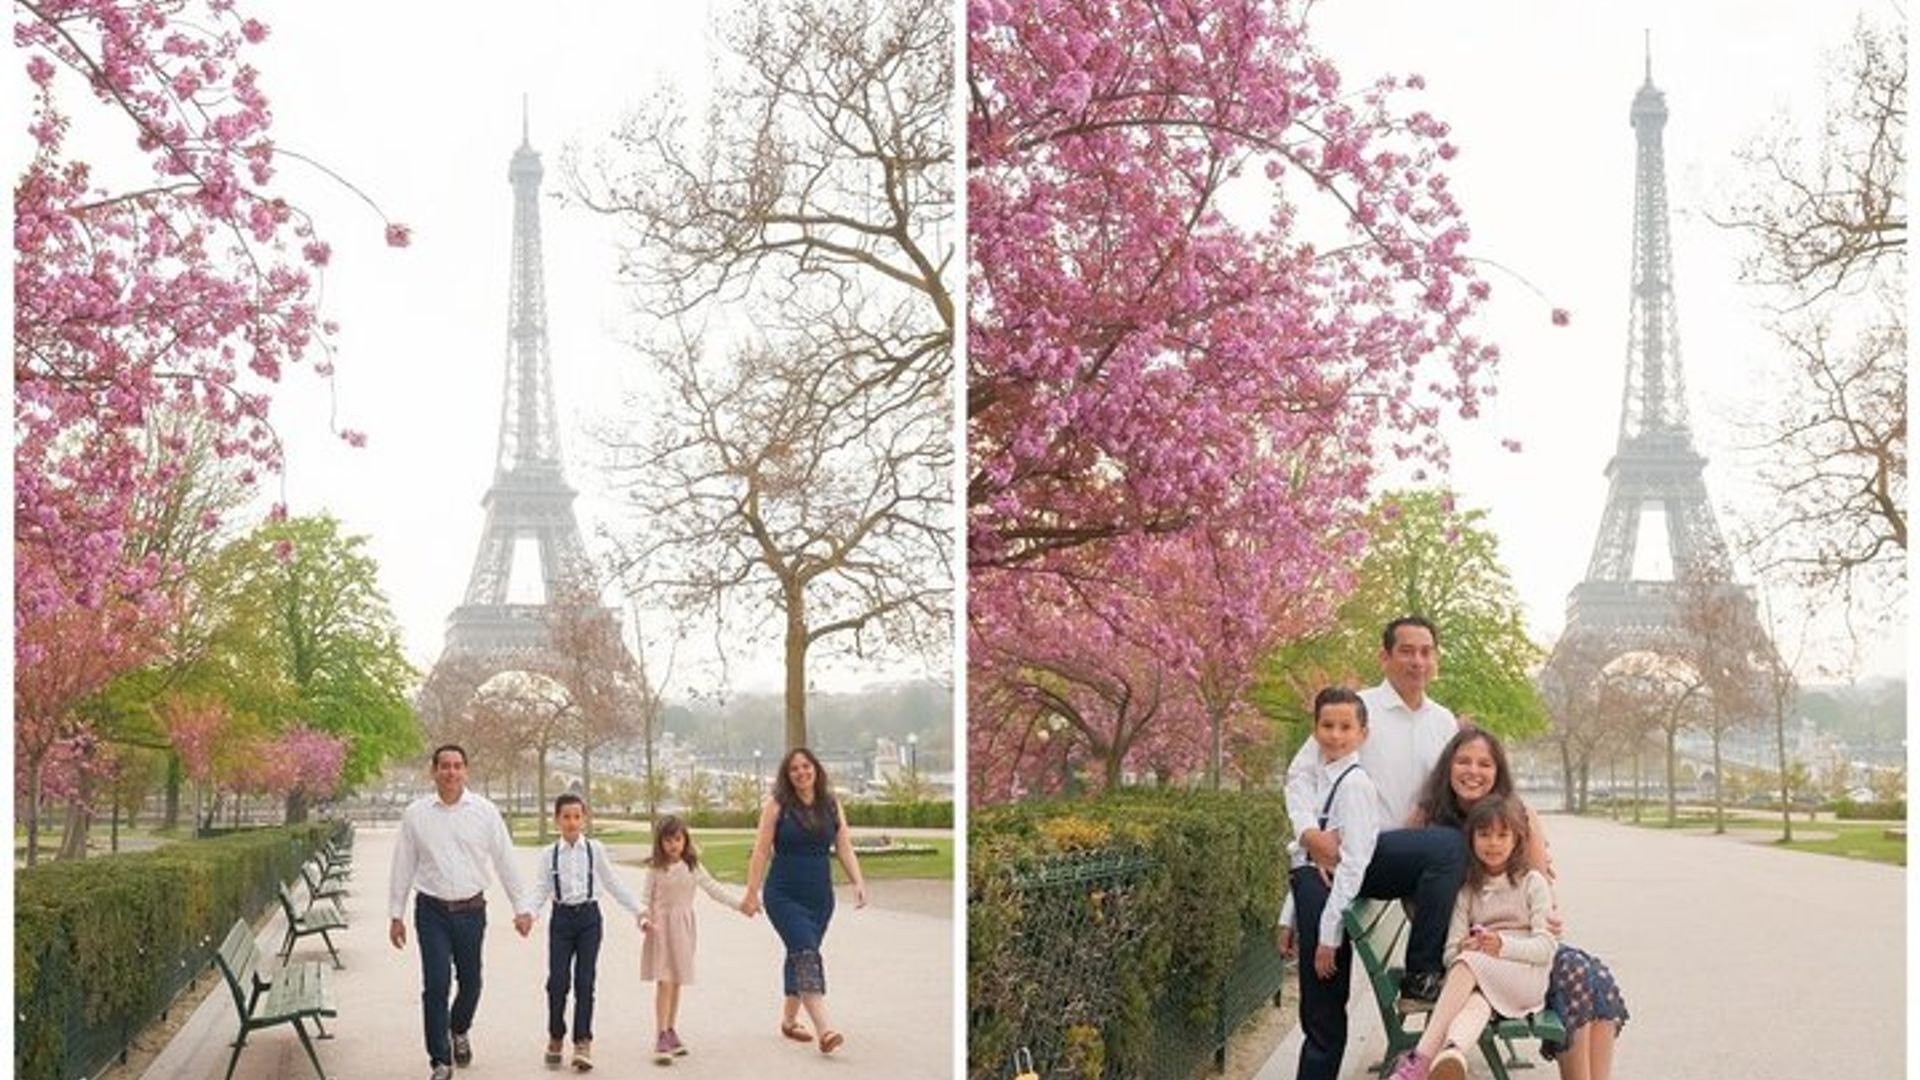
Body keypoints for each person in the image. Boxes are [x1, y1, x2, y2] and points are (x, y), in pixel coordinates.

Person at [1283, 616, 1466, 1080]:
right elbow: (1300, 776)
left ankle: (1420, 975)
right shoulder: (1356, 708)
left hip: (1389, 855)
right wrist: (1309, 835)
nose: (1417, 661)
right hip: (1333, 855)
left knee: (1448, 845)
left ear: (1436, 659)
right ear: (1385, 656)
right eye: (1407, 650)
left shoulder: (1443, 721)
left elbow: (1461, 791)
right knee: (1324, 999)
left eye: (1426, 651)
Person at [1411, 727, 1630, 1080]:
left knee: (1592, 975)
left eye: (1485, 763)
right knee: (1577, 973)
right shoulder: (1428, 817)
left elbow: (1541, 895)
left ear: (1498, 771)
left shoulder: (1518, 814)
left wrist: (1548, 916)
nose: (1473, 771)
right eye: (1463, 761)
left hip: (1522, 943)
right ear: (1448, 767)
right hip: (1465, 946)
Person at [388, 744, 534, 1080]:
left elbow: (505, 859)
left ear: (465, 771)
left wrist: (521, 907)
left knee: (471, 982)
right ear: (433, 771)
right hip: (432, 911)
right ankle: (440, 1060)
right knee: (436, 985)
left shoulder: (485, 812)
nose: (451, 772)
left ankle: (459, 1029)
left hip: (471, 910)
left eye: (457, 766)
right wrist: (396, 914)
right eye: (444, 766)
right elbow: (403, 865)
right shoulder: (416, 814)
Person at [1391, 795, 1556, 1080]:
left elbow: (1546, 948)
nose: (1493, 843)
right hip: (1483, 978)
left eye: (1502, 835)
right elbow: (1451, 954)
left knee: (1469, 964)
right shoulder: (1466, 889)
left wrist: (1502, 946)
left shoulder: (1532, 882)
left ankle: (1420, 1059)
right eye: (1484, 834)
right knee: (1475, 1001)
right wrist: (1465, 948)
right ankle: (1452, 1054)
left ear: (1516, 839)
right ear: (1472, 838)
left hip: (1526, 978)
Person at [742, 747, 868, 1056]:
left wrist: (858, 881)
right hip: (783, 894)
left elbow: (844, 846)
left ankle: (788, 1020)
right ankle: (825, 1030)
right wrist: (751, 892)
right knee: (806, 954)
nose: (801, 772)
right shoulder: (777, 806)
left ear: (815, 769)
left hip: (820, 898)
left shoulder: (831, 804)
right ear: (787, 776)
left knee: (799, 955)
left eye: (805, 766)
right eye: (794, 769)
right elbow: (760, 851)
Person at [1280, 688, 1392, 1024]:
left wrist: (1329, 936)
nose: (1335, 735)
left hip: (1328, 908)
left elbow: (1352, 863)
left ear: (1363, 734)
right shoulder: (1324, 781)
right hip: (1314, 897)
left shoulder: (1354, 786)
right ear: (1315, 731)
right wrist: (1289, 916)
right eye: (1327, 726)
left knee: (1321, 1019)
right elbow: (1310, 857)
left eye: (1346, 727)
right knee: (1315, 1016)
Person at [523, 793, 645, 1072]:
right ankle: (556, 1035)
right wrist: (530, 914)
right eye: (566, 817)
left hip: (589, 919)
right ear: (557, 820)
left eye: (577, 816)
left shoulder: (594, 850)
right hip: (561, 920)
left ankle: (582, 1041)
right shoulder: (549, 854)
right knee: (557, 982)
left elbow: (613, 883)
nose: (572, 822)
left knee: (585, 981)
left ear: (584, 819)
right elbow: (541, 889)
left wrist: (639, 910)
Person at [636, 814, 750, 1064]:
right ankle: (660, 1034)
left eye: (677, 839)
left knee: (676, 981)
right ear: (660, 843)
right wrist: (643, 919)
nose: (673, 845)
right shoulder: (656, 868)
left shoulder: (693, 866)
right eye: (668, 840)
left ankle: (670, 1029)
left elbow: (714, 889)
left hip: (683, 930)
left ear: (685, 840)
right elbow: (644, 900)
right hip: (660, 929)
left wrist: (740, 905)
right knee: (664, 981)